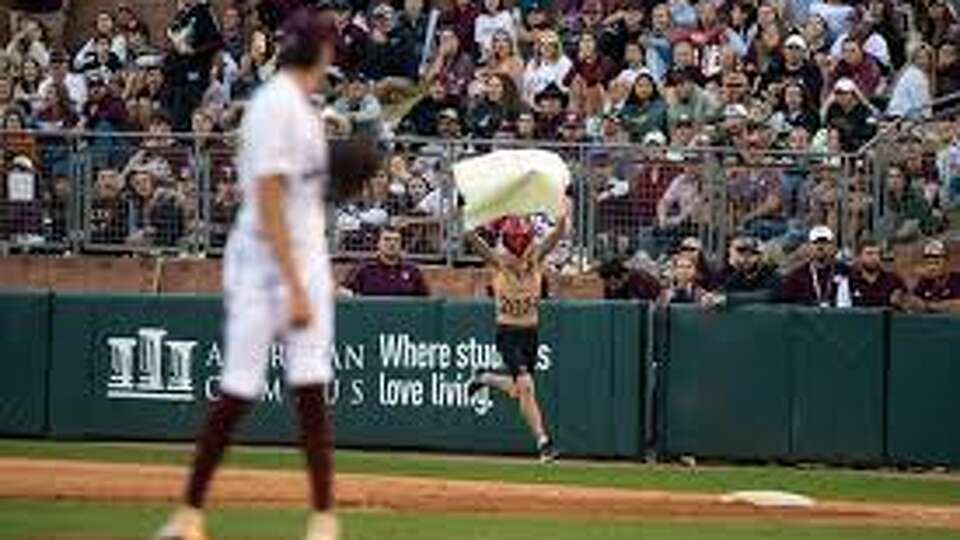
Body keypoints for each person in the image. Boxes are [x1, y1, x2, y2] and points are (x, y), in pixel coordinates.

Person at [153, 9, 345, 540]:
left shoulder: (306, 109)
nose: (331, 54)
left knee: (310, 387)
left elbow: (307, 194)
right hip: (265, 264)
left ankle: (324, 521)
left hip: (303, 259)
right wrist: (294, 283)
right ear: (318, 51)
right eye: (328, 46)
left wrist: (348, 174)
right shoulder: (274, 106)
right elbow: (267, 199)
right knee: (240, 387)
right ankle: (189, 515)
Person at [464, 210, 568, 463]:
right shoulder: (499, 267)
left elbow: (558, 233)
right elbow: (471, 238)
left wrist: (562, 208)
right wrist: (465, 212)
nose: (518, 253)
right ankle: (543, 442)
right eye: (514, 245)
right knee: (526, 386)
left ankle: (484, 376)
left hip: (531, 333)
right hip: (508, 333)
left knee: (520, 391)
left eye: (523, 242)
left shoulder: (536, 265)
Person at [342, 226, 430, 296]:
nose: (392, 244)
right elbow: (343, 292)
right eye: (387, 239)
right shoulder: (363, 268)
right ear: (378, 243)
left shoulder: (412, 271)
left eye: (396, 240)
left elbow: (425, 300)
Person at [779, 225, 852, 307]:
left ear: (833, 247)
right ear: (808, 246)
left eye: (825, 243)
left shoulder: (846, 272)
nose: (820, 246)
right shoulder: (797, 276)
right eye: (815, 243)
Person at [848, 238, 909, 308]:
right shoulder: (851, 280)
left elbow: (906, 305)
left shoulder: (893, 281)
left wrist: (900, 301)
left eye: (878, 253)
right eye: (869, 253)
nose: (874, 257)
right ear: (859, 256)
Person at [911, 239, 960, 313]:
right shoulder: (924, 282)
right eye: (929, 263)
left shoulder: (957, 280)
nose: (932, 268)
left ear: (947, 262)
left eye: (936, 263)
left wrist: (929, 306)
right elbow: (914, 302)